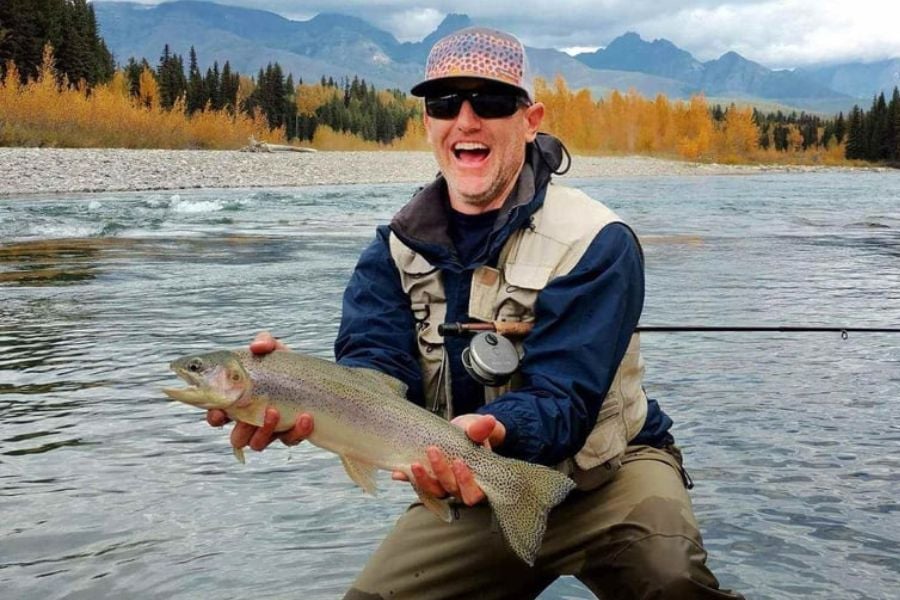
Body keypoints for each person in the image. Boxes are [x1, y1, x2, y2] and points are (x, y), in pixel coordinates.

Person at [208, 26, 743, 600]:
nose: (466, 120)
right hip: (470, 477)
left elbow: (565, 398)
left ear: (530, 119)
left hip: (611, 474)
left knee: (674, 582)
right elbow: (375, 367)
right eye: (444, 103)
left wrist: (497, 429)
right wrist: (299, 387)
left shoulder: (597, 240)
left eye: (489, 100)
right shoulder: (391, 251)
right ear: (428, 124)